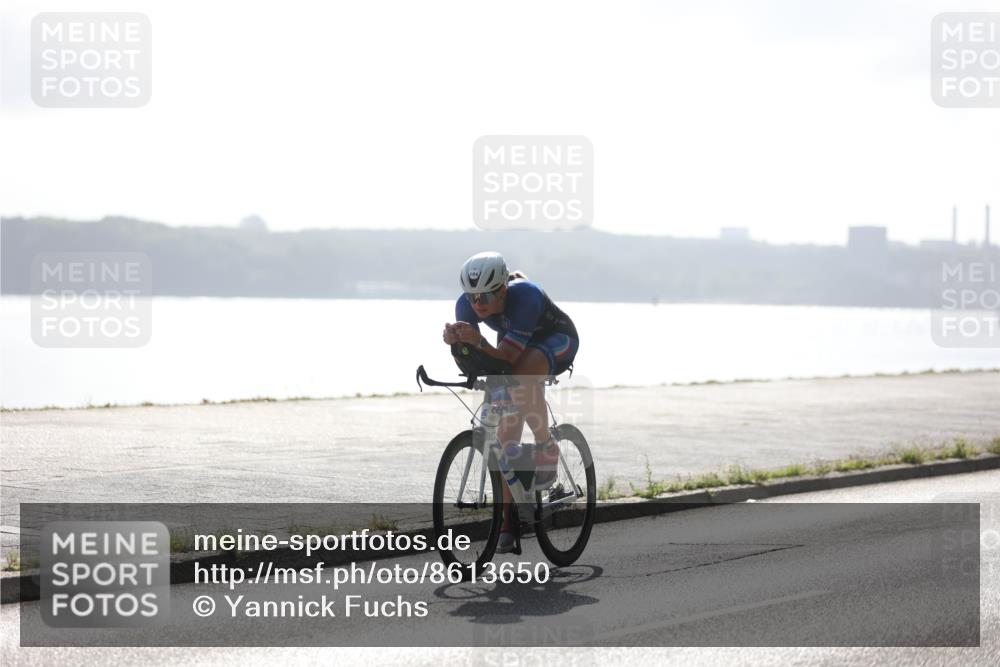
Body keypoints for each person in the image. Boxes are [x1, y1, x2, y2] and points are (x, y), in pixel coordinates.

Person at [442, 251, 579, 553]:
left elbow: (506, 356)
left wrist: (476, 340)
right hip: (515, 343)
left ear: (503, 289)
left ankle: (547, 447)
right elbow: (476, 360)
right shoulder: (466, 305)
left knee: (523, 375)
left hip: (556, 339)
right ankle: (509, 521)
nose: (477, 304)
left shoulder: (525, 296)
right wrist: (456, 345)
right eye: (472, 296)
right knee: (505, 439)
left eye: (486, 296)